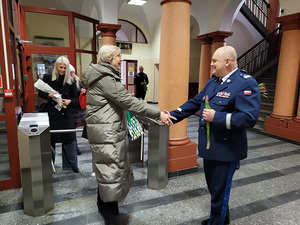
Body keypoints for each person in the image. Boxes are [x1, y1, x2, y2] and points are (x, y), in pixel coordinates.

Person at [167, 46, 261, 225]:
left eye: (214, 61)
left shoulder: (246, 83)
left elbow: (248, 118)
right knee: (216, 191)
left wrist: (217, 117)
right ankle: (220, 220)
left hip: (226, 150)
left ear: (227, 62)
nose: (210, 64)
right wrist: (173, 115)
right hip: (211, 148)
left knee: (220, 193)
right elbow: (197, 101)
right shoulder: (214, 81)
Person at [83, 45, 173, 225]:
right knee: (110, 171)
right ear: (109, 58)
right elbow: (129, 102)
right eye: (118, 56)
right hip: (107, 132)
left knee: (108, 169)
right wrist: (158, 113)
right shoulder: (106, 78)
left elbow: (120, 100)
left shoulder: (101, 75)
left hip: (105, 129)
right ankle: (111, 216)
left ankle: (104, 206)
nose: (121, 59)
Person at [38, 56, 80, 173]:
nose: (62, 70)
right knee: (50, 140)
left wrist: (69, 101)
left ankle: (71, 165)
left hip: (66, 114)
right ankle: (49, 166)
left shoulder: (71, 81)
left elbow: (76, 98)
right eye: (60, 67)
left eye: (64, 68)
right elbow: (40, 93)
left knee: (69, 139)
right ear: (56, 66)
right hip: (52, 113)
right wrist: (49, 96)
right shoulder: (47, 78)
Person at [70, 64, 86, 155]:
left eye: (73, 72)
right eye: (70, 72)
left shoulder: (77, 80)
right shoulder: (67, 82)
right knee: (72, 130)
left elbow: (82, 89)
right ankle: (75, 148)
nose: (72, 74)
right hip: (72, 109)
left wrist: (82, 91)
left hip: (79, 109)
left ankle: (75, 148)